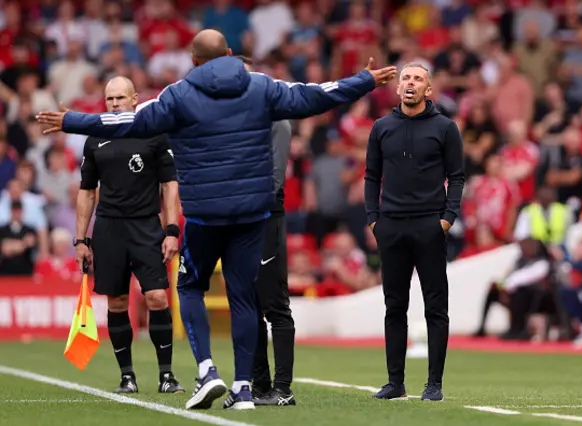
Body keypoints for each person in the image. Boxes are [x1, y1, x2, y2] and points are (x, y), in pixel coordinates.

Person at [36, 30, 396, 411]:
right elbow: (315, 95)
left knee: (190, 288)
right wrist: (365, 81)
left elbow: (125, 122)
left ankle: (208, 370)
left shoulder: (177, 95)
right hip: (251, 213)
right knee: (243, 296)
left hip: (206, 213)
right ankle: (243, 389)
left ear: (193, 61)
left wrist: (72, 120)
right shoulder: (260, 86)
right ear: (227, 53)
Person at [74, 76, 183, 394]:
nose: (115, 104)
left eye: (121, 98)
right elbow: (87, 191)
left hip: (147, 225)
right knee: (117, 301)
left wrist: (172, 231)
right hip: (109, 229)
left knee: (157, 297)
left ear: (135, 99)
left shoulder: (153, 133)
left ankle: (166, 376)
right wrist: (81, 240)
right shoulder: (95, 137)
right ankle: (127, 377)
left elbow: (170, 185)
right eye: (109, 99)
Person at [364, 62, 465, 402]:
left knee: (435, 308)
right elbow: (371, 176)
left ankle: (433, 384)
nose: (410, 83)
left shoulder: (446, 128)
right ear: (397, 88)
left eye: (418, 78)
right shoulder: (381, 127)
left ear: (429, 90)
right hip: (391, 226)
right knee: (395, 307)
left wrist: (448, 217)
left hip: (430, 225)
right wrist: (373, 219)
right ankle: (395, 382)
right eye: (405, 77)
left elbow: (458, 175)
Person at [236, 55, 297, 406]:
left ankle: (283, 388)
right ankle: (258, 385)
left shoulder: (276, 120)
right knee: (248, 304)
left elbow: (273, 181)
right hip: (237, 220)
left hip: (263, 216)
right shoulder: (233, 120)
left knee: (274, 303)